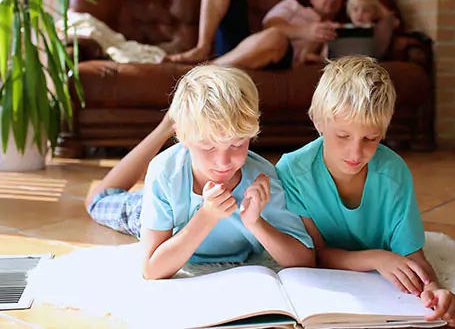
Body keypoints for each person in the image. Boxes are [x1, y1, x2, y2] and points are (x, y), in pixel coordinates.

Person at [275, 56, 455, 326]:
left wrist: (433, 289)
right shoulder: (292, 171)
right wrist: (377, 258)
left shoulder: (393, 173)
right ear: (318, 121)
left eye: (370, 139)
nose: (356, 153)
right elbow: (315, 255)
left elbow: (412, 257)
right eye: (342, 136)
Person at [84, 65, 315, 279]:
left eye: (237, 144)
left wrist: (256, 223)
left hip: (179, 199)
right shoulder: (165, 173)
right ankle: (165, 127)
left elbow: (305, 260)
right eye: (208, 147)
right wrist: (207, 216)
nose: (223, 161)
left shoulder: (262, 177)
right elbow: (152, 270)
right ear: (183, 138)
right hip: (151, 211)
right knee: (96, 202)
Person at [167, 0, 345, 69]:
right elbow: (270, 25)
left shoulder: (338, 28)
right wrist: (306, 31)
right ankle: (202, 47)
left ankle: (211, 70)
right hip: (250, 44)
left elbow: (368, 4)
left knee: (277, 38)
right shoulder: (293, 5)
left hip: (279, 58)